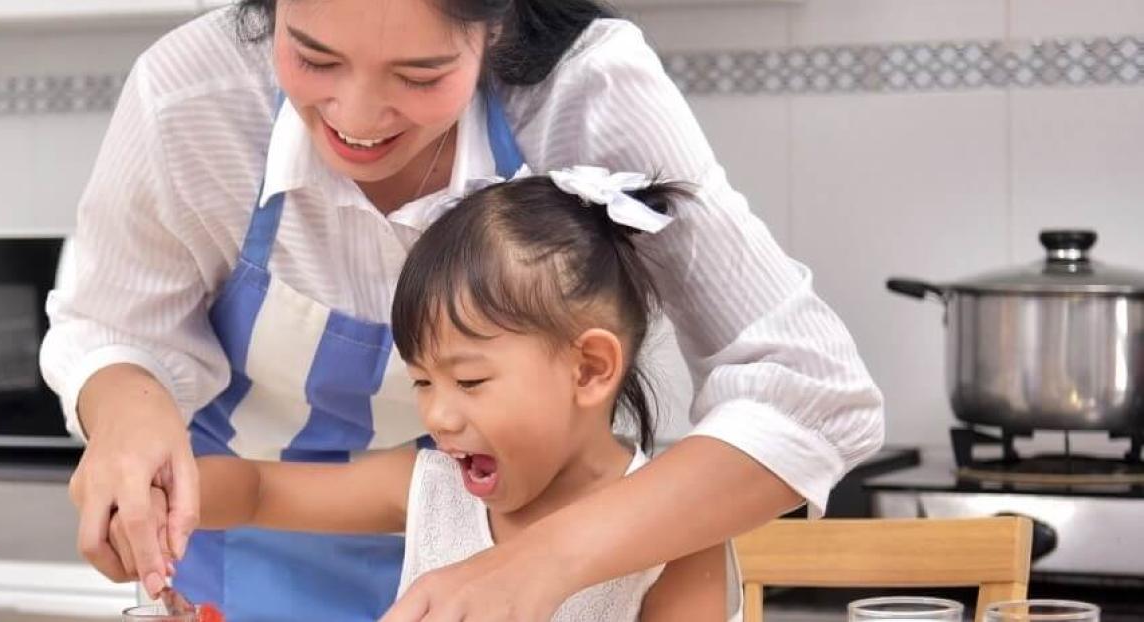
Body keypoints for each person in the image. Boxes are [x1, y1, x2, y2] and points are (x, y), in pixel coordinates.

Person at [43, 1, 885, 619]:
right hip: (239, 581)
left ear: (499, 28)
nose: (357, 118)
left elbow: (812, 392)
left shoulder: (587, 89)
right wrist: (129, 430)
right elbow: (114, 328)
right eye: (312, 56)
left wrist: (541, 560)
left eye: (421, 74)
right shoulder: (190, 93)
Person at [96, 170, 730, 621]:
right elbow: (262, 492)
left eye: (471, 381)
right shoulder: (432, 490)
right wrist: (162, 494)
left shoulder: (672, 528)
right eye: (423, 382)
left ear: (589, 368)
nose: (438, 416)